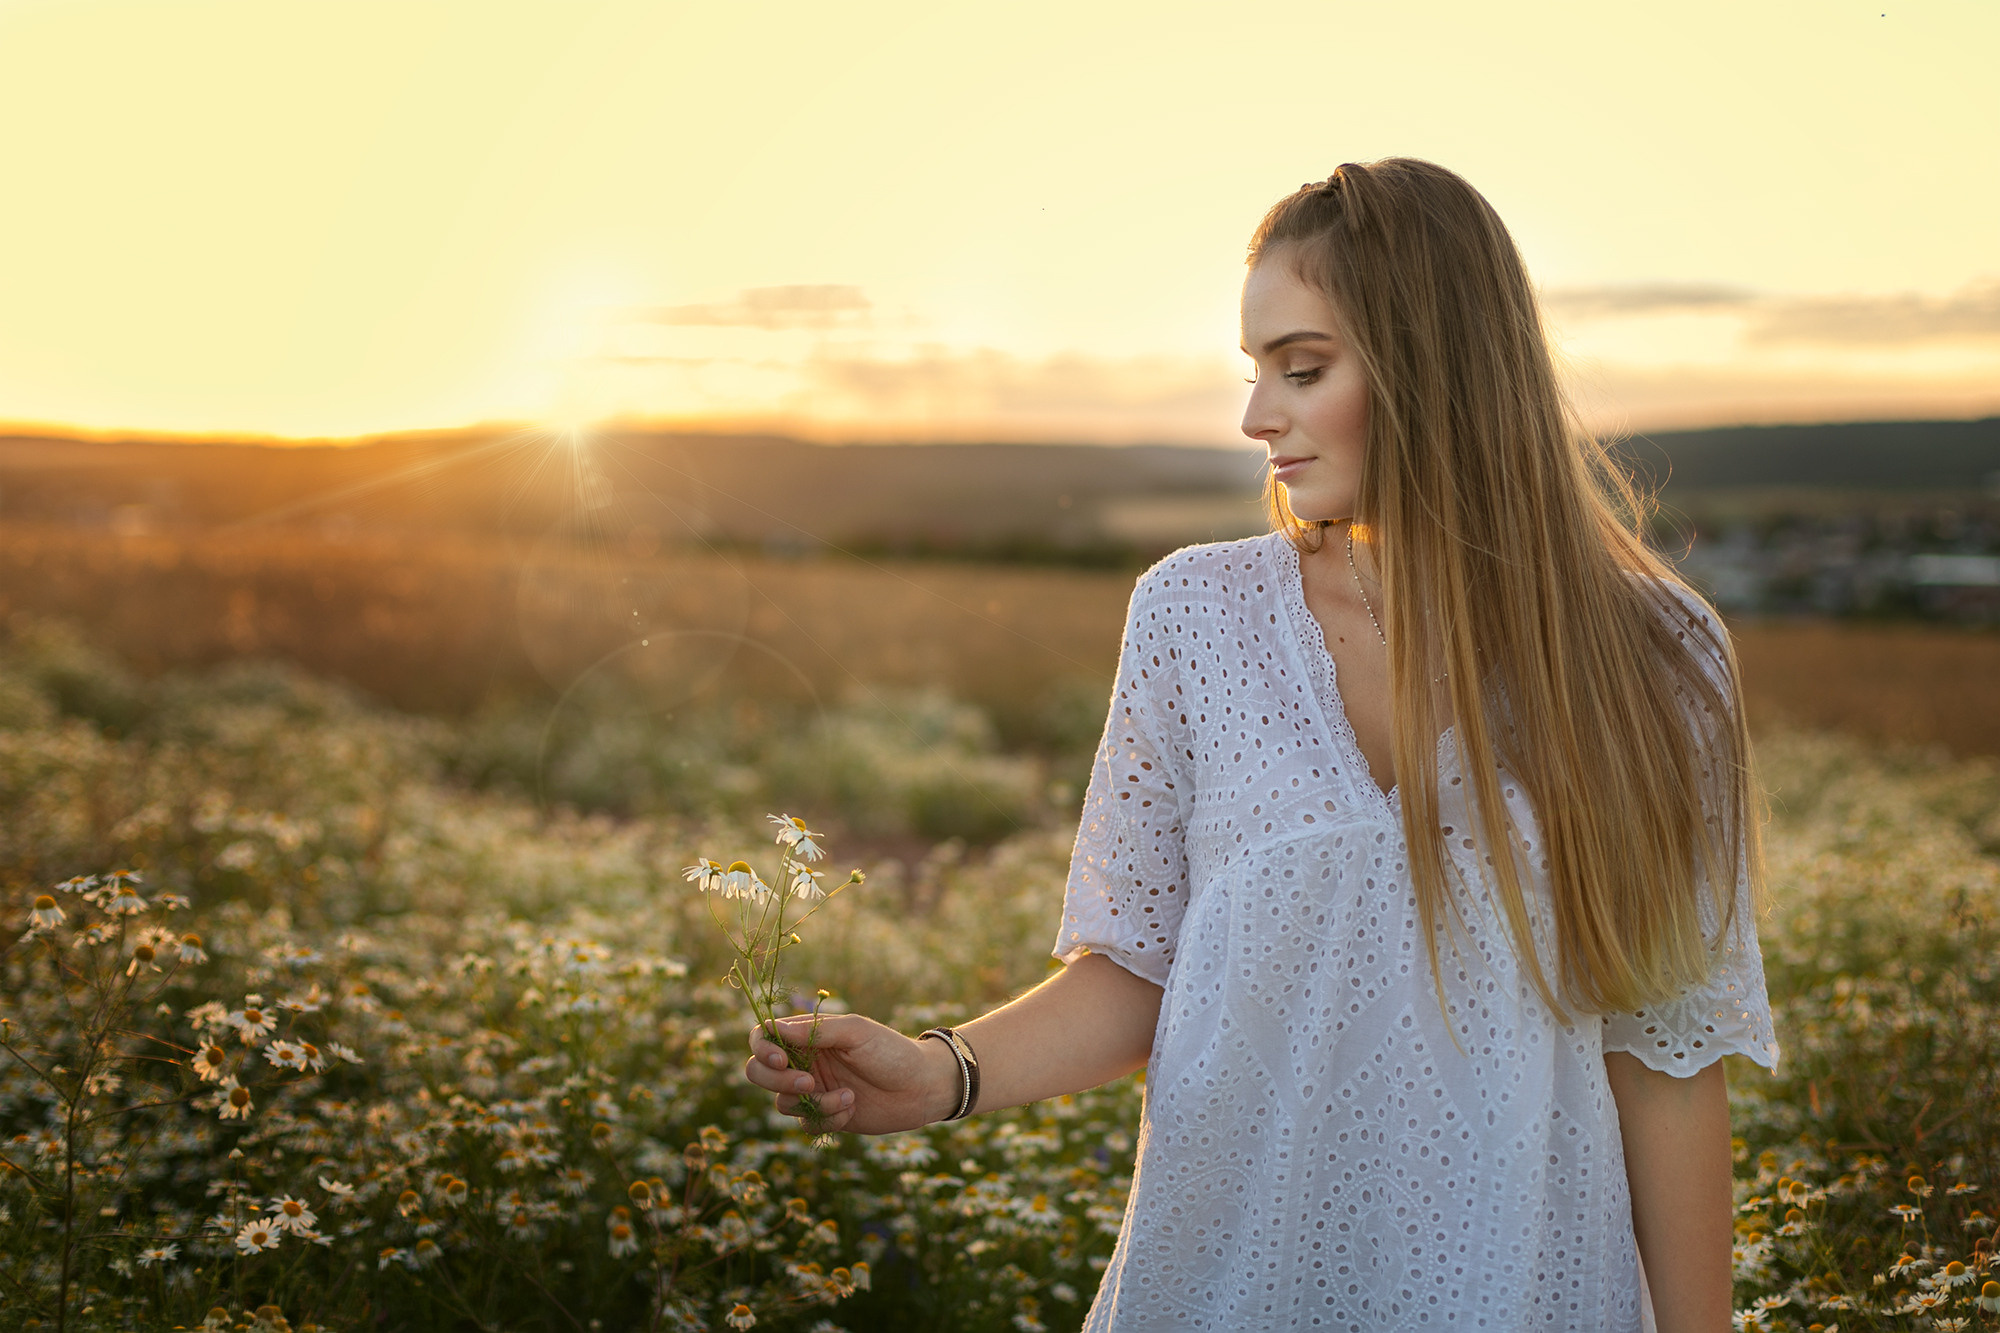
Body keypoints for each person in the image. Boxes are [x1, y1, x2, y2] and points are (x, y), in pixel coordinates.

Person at [744, 157, 1776, 1332]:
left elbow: (1668, 1058)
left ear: (1436, 370)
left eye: (1303, 367)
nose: (1254, 417)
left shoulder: (1653, 657)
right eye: (1254, 373)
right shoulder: (1193, 617)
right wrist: (940, 1072)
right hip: (1226, 1288)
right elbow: (1136, 968)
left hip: (1523, 1291)